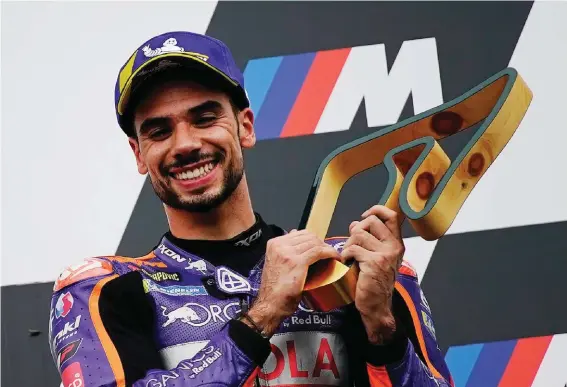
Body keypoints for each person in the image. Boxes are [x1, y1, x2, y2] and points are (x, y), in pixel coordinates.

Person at [48, 31, 454, 387]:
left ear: (245, 126)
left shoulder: (358, 268)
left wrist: (381, 326)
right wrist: (261, 317)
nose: (186, 143)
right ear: (139, 154)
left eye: (205, 118)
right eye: (159, 131)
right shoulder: (103, 288)